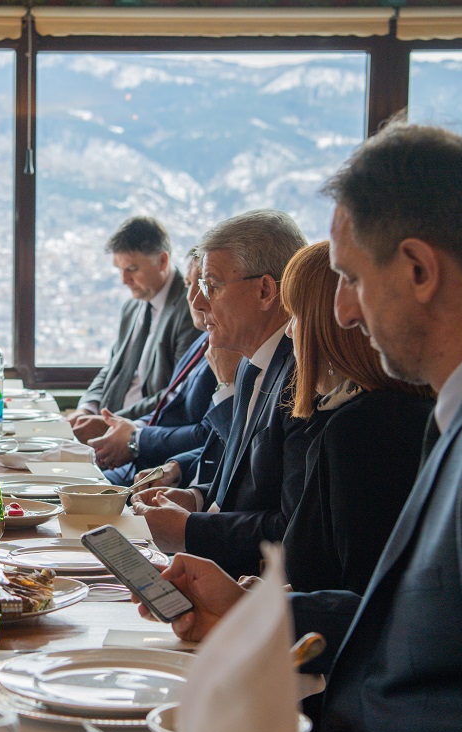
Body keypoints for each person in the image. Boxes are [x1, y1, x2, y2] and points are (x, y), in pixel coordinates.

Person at [144, 125, 462, 732]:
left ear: (418, 269)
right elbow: (430, 630)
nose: (344, 312)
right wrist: (255, 611)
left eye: (351, 279)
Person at [132, 210, 310, 579]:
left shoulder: (303, 377)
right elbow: (243, 481)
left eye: (210, 285)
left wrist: (189, 529)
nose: (197, 303)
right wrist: (195, 498)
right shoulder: (248, 365)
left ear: (265, 291)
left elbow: (292, 528)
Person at [278, 241, 433, 595]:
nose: (290, 331)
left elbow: (365, 601)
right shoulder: (354, 416)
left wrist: (275, 609)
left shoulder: (363, 431)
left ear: (333, 325)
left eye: (296, 315)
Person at [91, 247, 240, 485]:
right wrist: (131, 427)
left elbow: (211, 435)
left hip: (162, 470)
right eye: (188, 284)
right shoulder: (203, 340)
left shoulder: (230, 349)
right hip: (146, 460)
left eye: (206, 286)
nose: (192, 298)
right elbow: (170, 403)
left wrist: (135, 438)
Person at [68, 217, 200, 444]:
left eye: (132, 269)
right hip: (107, 425)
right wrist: (87, 408)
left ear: (162, 261)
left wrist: (112, 422)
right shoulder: (132, 308)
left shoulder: (189, 309)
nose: (124, 280)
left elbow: (177, 392)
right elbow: (112, 368)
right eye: (119, 270)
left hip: (143, 434)